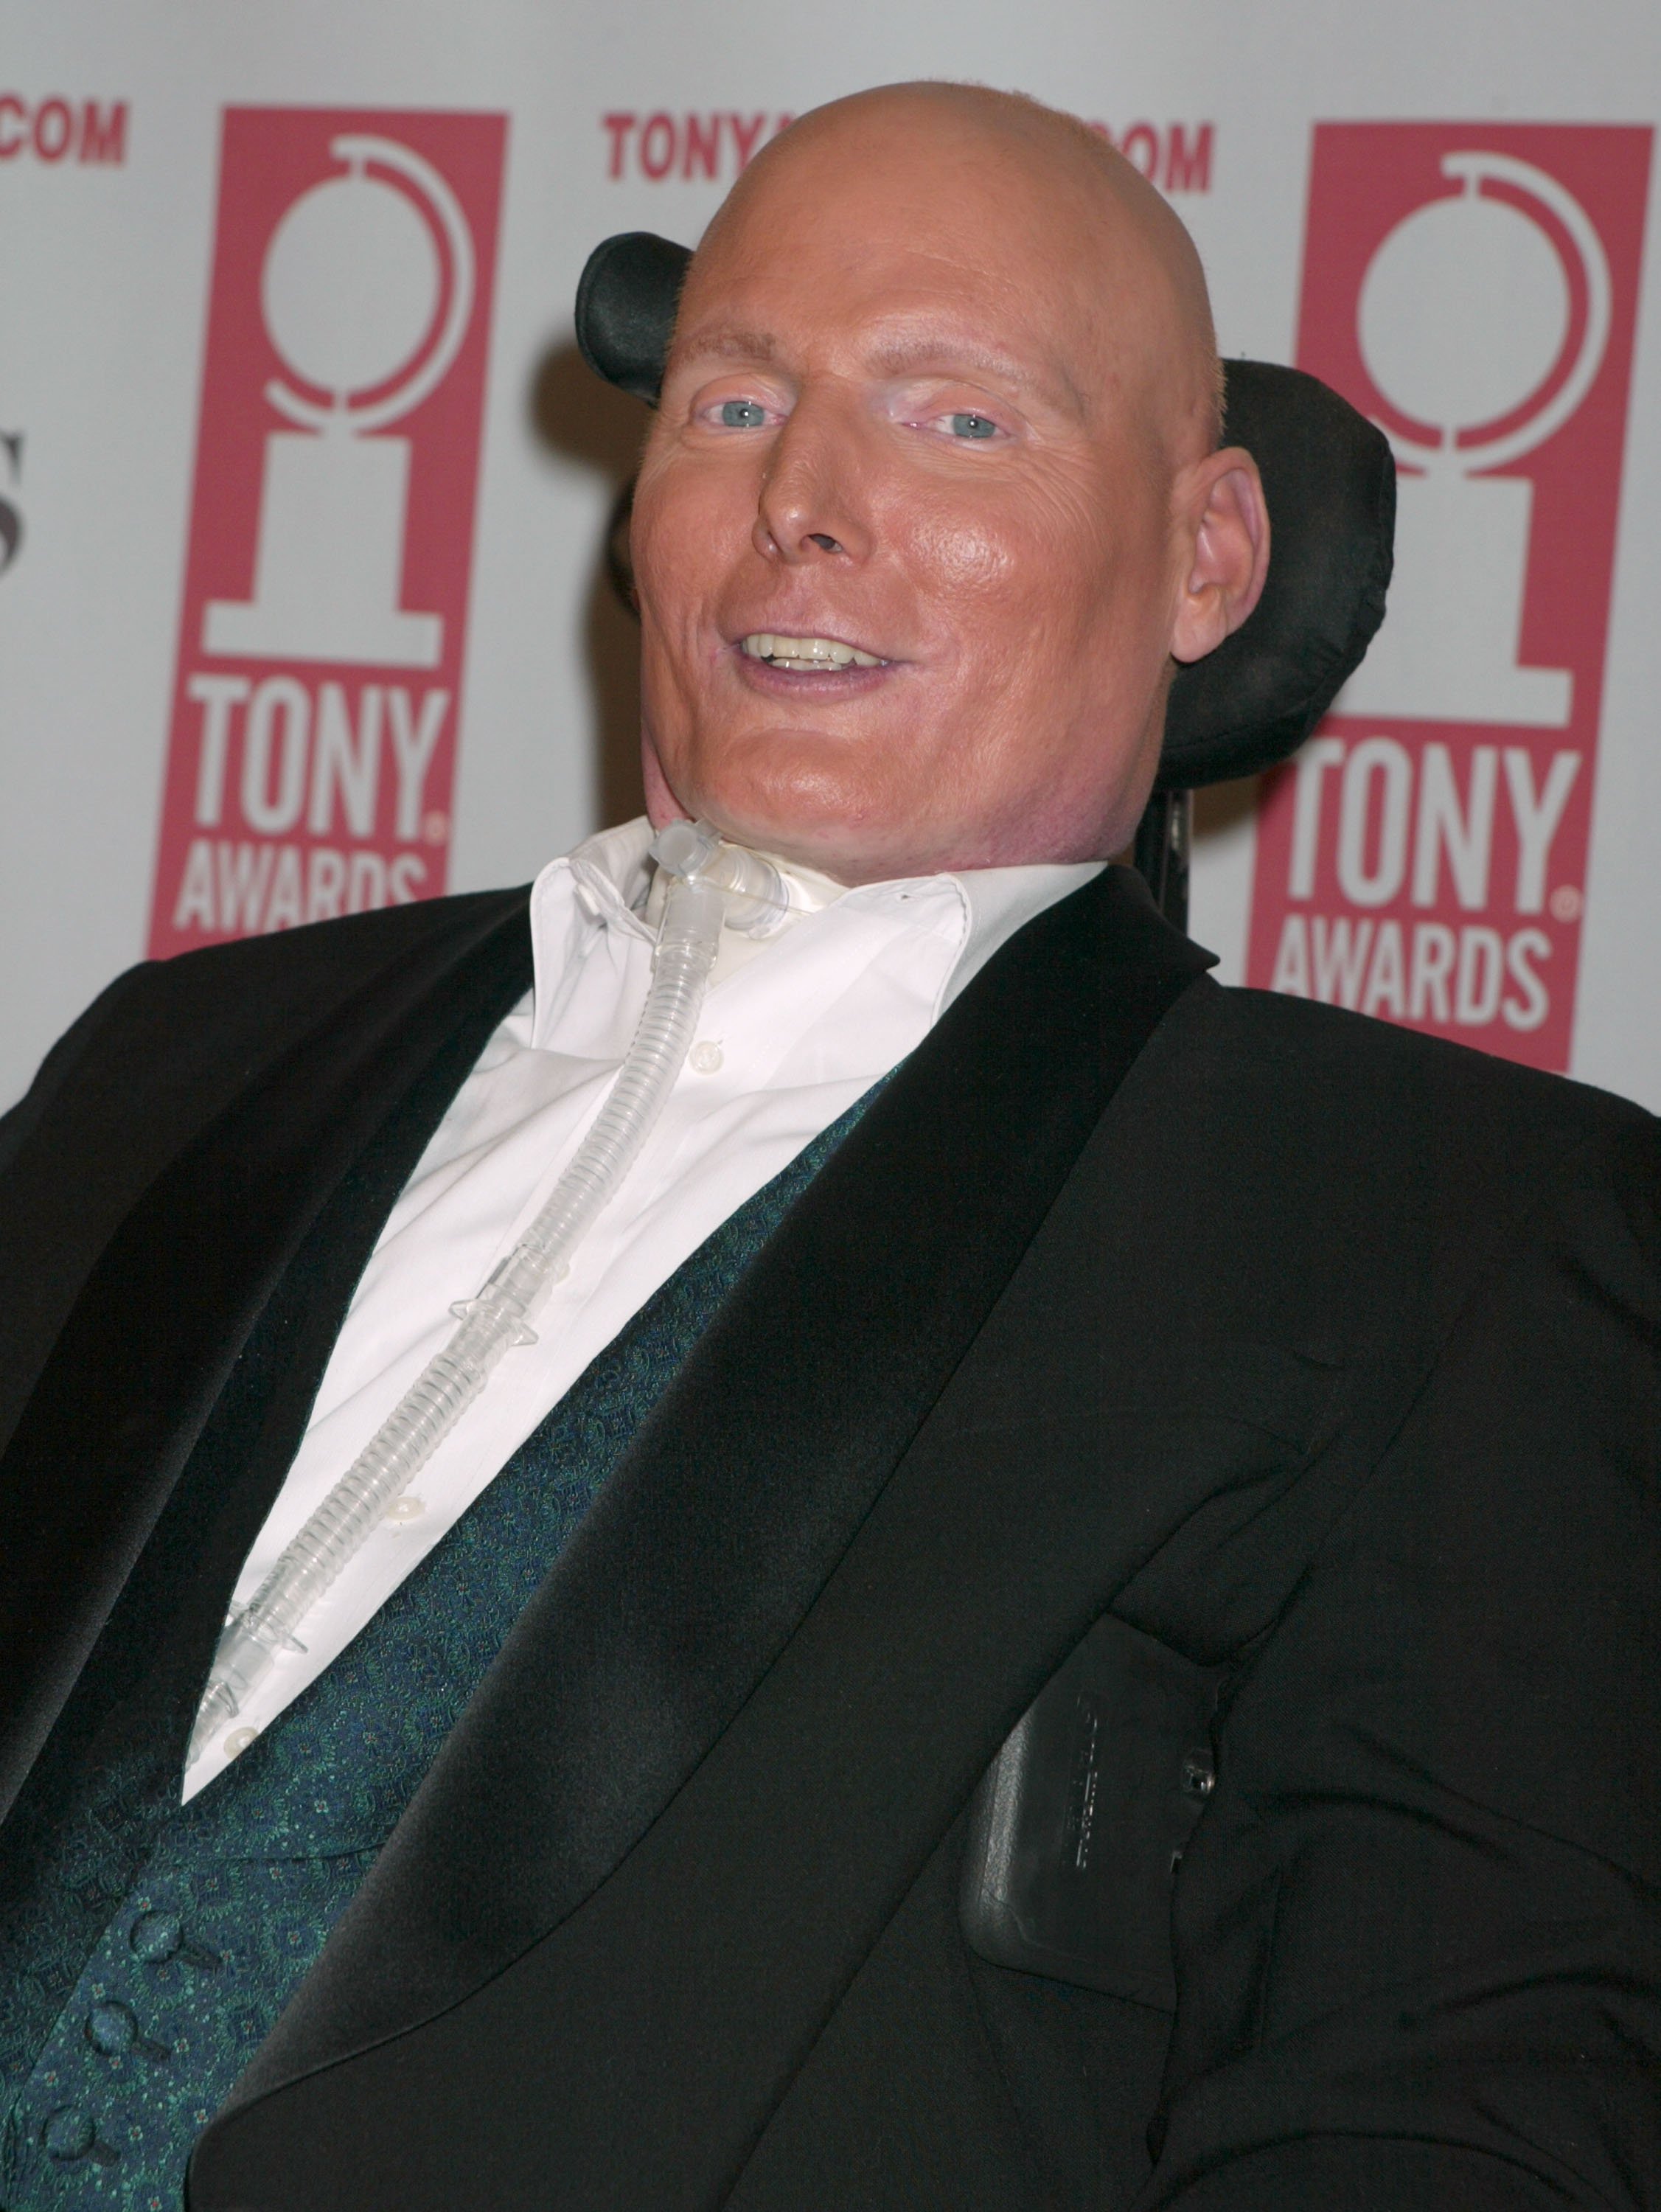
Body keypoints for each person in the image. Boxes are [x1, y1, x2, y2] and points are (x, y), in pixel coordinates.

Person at [1, 80, 1657, 2212]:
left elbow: (1449, 2119)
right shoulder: (177, 1058)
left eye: (958, 422)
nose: (807, 499)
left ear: (1209, 555)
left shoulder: (1447, 1232)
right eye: (729, 402)